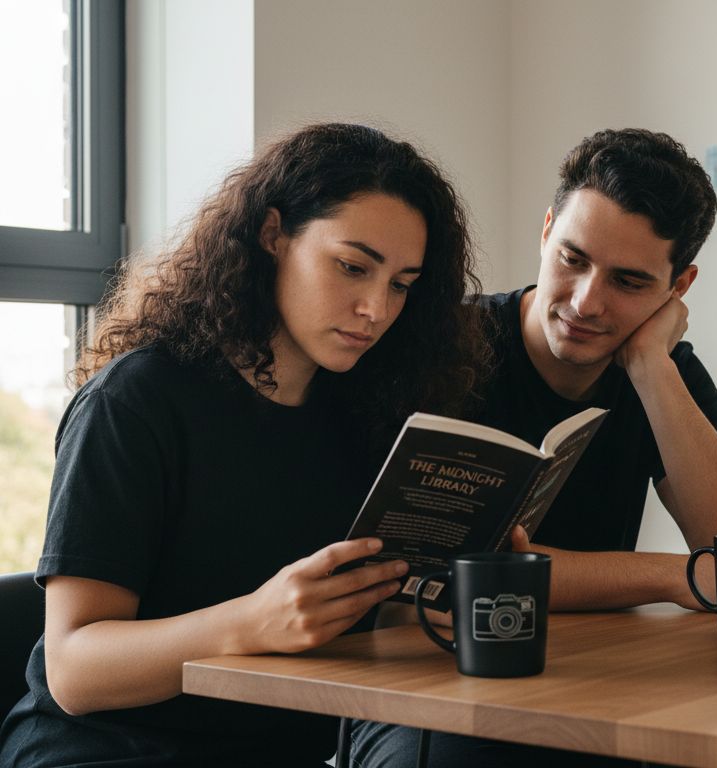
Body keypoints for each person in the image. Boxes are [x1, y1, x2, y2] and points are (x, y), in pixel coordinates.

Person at [0, 123, 488, 767]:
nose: (375, 307)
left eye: (401, 284)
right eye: (352, 266)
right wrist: (251, 622)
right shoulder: (137, 402)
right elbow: (74, 671)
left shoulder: (370, 412)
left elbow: (370, 635)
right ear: (272, 236)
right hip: (106, 751)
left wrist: (434, 600)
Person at [350, 128, 717, 767]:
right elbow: (448, 573)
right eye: (572, 259)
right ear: (546, 232)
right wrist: (671, 576)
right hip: (429, 685)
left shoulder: (670, 376)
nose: (586, 301)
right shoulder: (439, 351)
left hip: (599, 682)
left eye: (628, 281)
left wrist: (652, 367)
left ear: (678, 285)